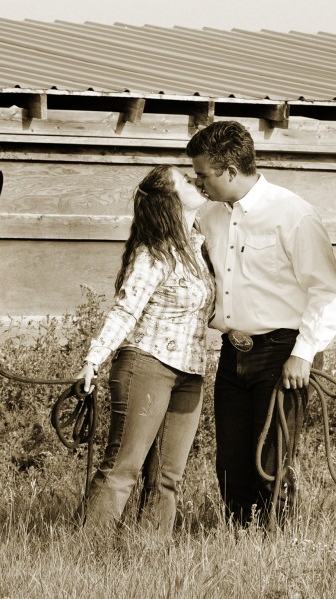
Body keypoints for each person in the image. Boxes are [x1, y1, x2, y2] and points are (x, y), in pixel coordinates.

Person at [187, 120, 336, 527]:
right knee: (231, 461)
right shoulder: (208, 217)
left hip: (282, 353)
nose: (198, 181)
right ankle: (240, 540)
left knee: (273, 461)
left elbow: (327, 291)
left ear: (230, 171)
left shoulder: (292, 214)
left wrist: (304, 354)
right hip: (232, 352)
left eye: (203, 174)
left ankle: (276, 546)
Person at [75, 164, 215, 533]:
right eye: (185, 179)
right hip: (147, 364)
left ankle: (148, 553)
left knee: (168, 477)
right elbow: (125, 309)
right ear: (168, 199)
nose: (195, 180)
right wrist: (93, 359)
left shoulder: (198, 249)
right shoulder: (154, 253)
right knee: (124, 467)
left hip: (191, 372)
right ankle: (84, 554)